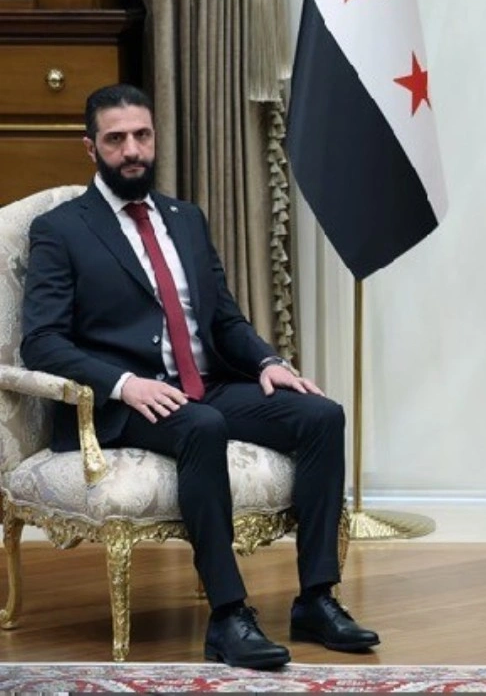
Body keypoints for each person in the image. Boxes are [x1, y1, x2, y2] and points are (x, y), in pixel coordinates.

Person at [21, 84, 380, 670]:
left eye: (142, 135)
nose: (132, 150)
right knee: (202, 425)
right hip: (128, 402)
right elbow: (42, 341)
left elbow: (224, 320)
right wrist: (124, 383)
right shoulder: (61, 229)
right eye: (116, 139)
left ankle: (316, 599)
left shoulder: (185, 219)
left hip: (204, 386)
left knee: (321, 415)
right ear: (91, 147)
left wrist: (268, 363)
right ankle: (228, 615)